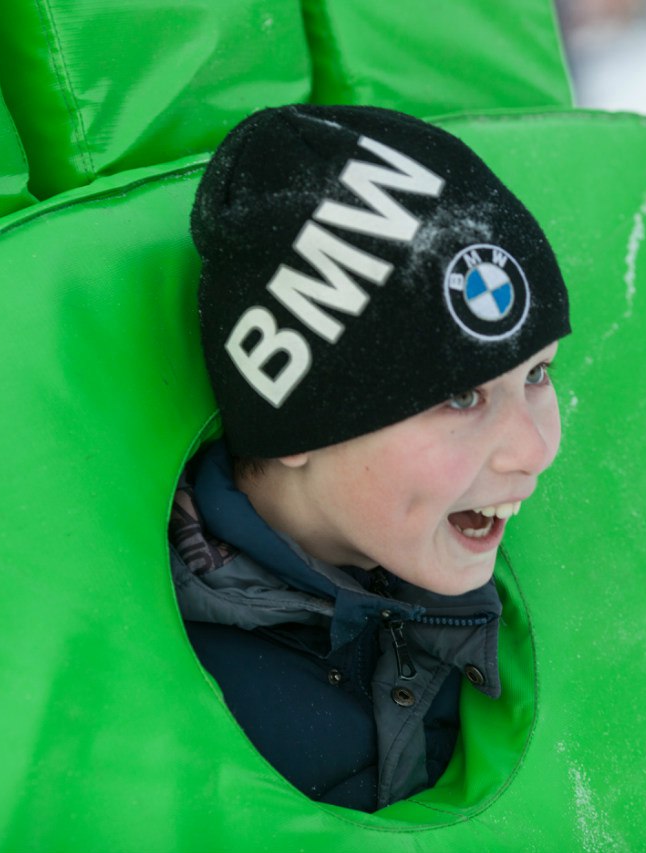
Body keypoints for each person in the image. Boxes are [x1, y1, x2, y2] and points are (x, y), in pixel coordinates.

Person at [168, 104, 571, 813]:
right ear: (297, 423)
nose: (537, 448)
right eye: (459, 395)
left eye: (537, 374)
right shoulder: (189, 694)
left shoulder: (466, 552)